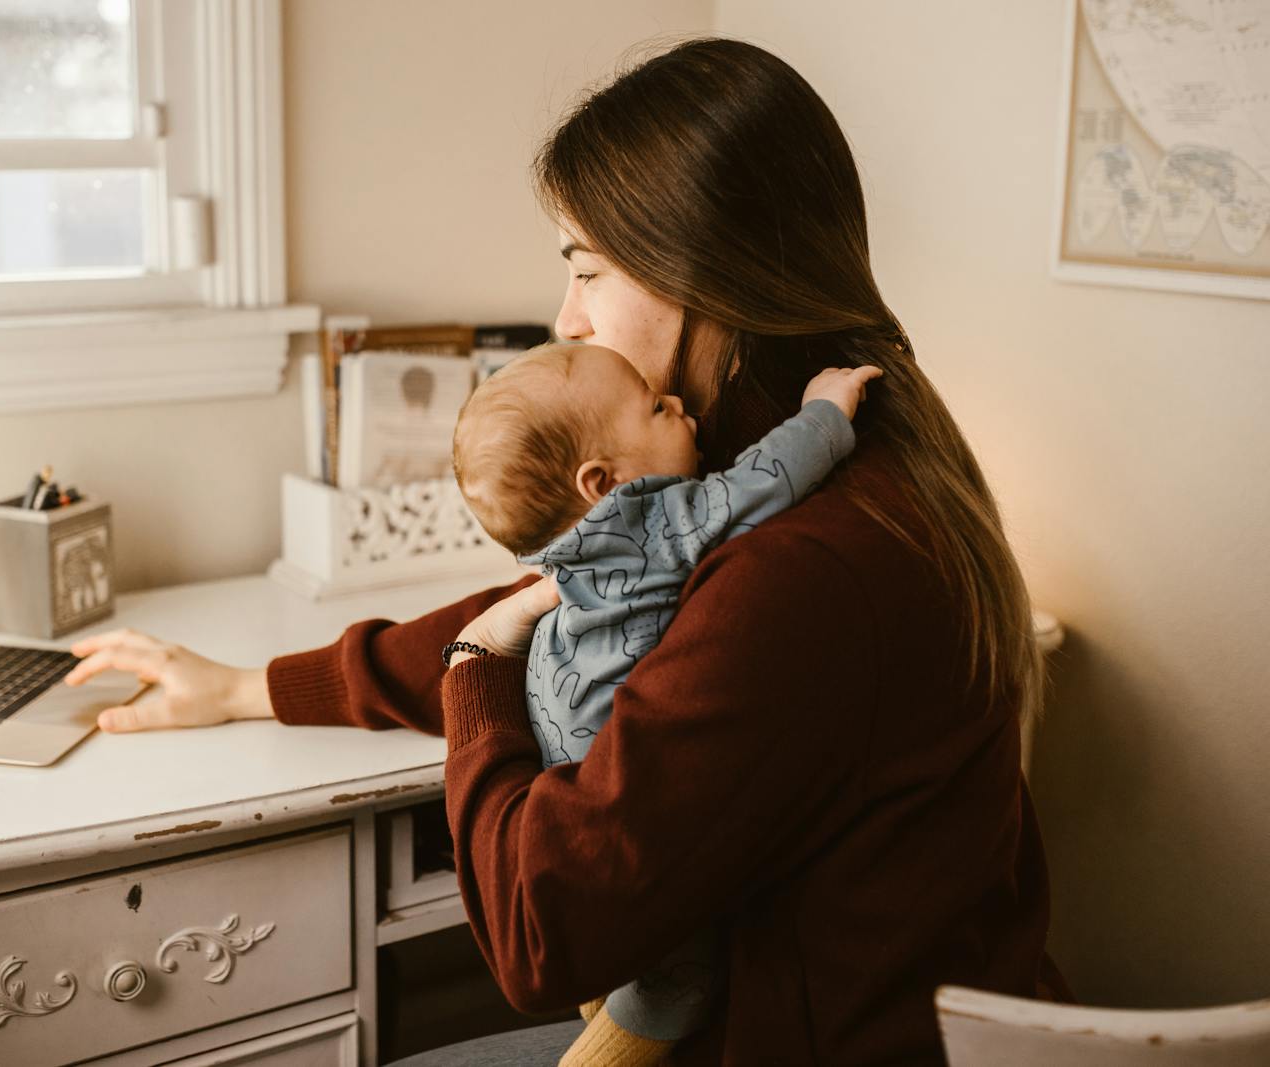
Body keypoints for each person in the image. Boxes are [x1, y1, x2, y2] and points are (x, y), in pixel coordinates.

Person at [64, 36, 1070, 1065]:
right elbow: (554, 616)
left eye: (586, 269)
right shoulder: (830, 461)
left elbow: (538, 935)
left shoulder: (801, 570)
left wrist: (476, 685)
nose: (566, 315)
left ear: (707, 275)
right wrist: (247, 687)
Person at [450, 342, 879, 1066]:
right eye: (656, 406)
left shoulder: (558, 552)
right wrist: (825, 410)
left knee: (621, 961)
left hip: (559, 744)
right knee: (680, 976)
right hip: (613, 763)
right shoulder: (657, 525)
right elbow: (760, 481)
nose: (681, 406)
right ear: (604, 481)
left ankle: (598, 1010)